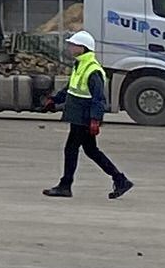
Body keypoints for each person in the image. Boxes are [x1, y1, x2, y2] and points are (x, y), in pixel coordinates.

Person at [49, 29, 133, 197]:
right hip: (79, 115)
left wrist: (95, 119)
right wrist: (56, 100)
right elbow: (71, 88)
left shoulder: (93, 70)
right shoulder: (80, 64)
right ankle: (120, 179)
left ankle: (65, 186)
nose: (70, 48)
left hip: (84, 117)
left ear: (83, 48)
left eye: (73, 45)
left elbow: (98, 98)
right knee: (91, 150)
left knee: (71, 149)